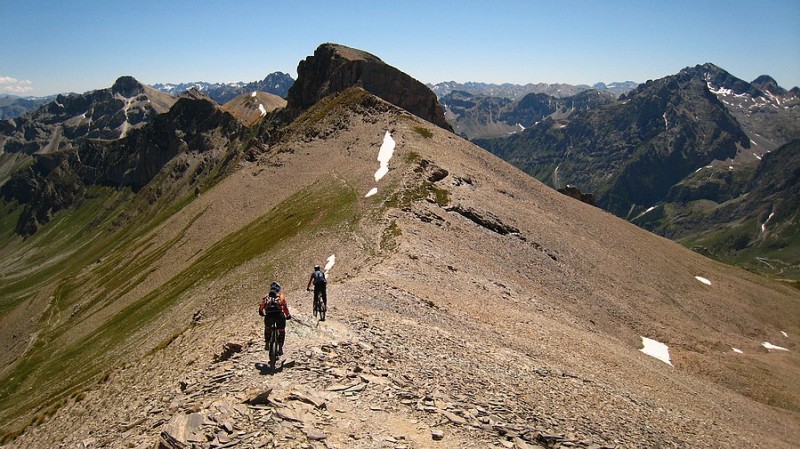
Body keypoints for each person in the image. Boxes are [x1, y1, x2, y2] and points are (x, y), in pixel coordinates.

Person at [258, 281, 291, 355]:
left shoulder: (266, 296)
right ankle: (280, 348)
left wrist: (262, 313)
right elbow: (285, 307)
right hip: (279, 315)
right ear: (278, 289)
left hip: (269, 316)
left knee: (267, 328)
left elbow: (261, 307)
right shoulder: (281, 296)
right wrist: (288, 315)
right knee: (282, 331)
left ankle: (267, 343)